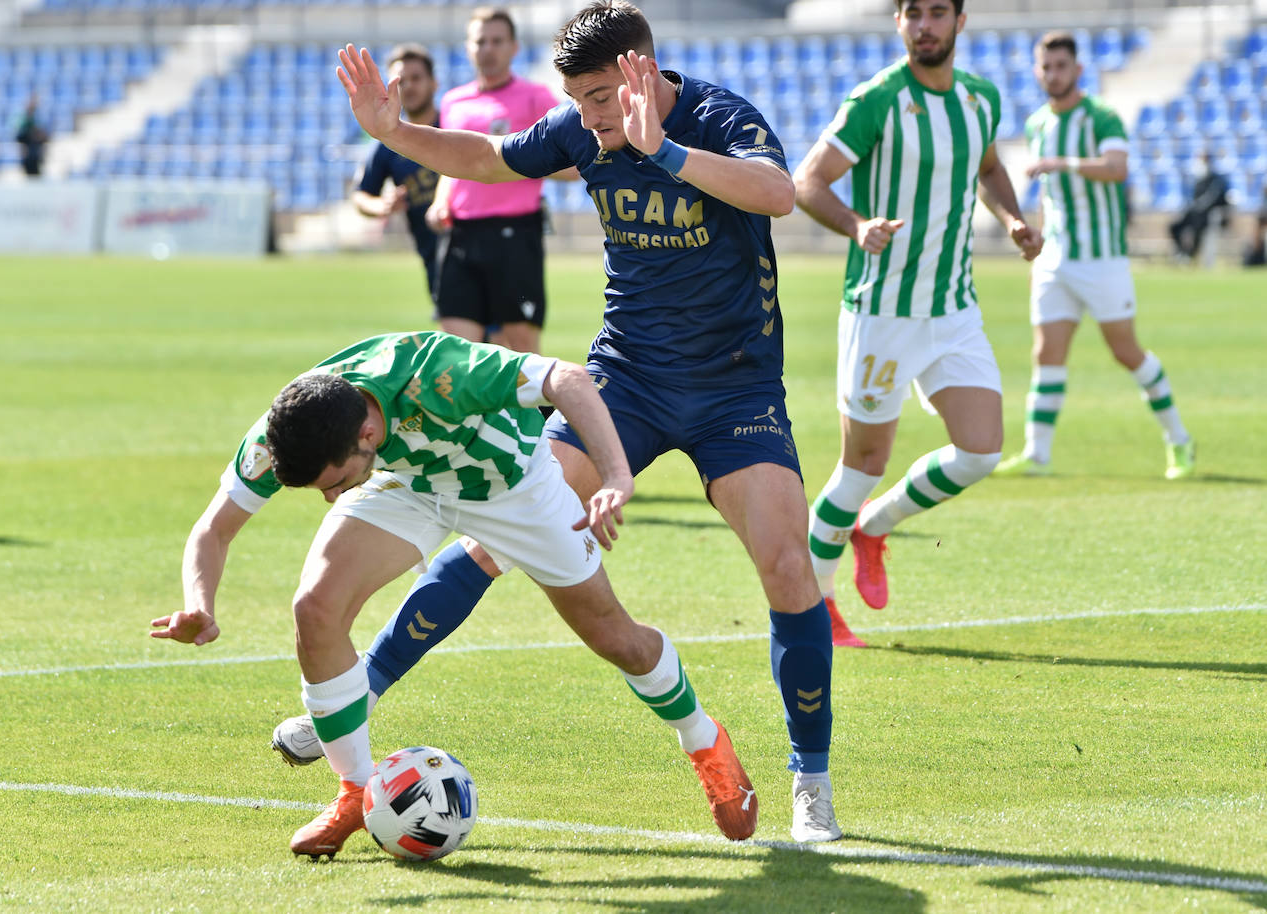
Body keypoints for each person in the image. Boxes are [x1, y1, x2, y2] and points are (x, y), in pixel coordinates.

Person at [317, 0, 846, 843]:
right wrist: (398, 129)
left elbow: (778, 194)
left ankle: (810, 785)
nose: (591, 118)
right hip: (625, 381)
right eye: (581, 101)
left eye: (603, 98)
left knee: (788, 568)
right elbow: (490, 158)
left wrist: (662, 151)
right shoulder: (578, 128)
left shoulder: (717, 116)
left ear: (642, 69)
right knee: (497, 530)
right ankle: (357, 696)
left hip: (734, 389)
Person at [150, 331, 760, 859]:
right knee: (316, 608)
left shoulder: (440, 375)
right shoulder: (289, 429)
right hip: (404, 482)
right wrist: (199, 601)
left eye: (333, 483)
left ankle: (703, 739)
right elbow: (214, 527)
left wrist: (618, 475)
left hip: (512, 488)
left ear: (366, 431)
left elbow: (569, 379)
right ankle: (358, 792)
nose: (330, 499)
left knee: (614, 638)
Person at [791, 0, 1042, 618]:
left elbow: (987, 167)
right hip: (882, 312)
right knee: (862, 464)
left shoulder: (980, 99)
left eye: (937, 12)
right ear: (898, 23)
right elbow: (807, 182)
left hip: (954, 308)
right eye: (912, 13)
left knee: (982, 451)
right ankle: (817, 604)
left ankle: (873, 529)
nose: (924, 25)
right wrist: (856, 225)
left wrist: (1012, 218)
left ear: (961, 21)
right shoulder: (877, 100)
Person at [994, 31, 1196, 481]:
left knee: (1125, 351)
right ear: (1036, 71)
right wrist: (1039, 240)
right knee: (1046, 353)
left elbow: (1117, 168)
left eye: (1061, 66)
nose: (1053, 74)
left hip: (1102, 259)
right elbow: (1049, 196)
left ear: (1078, 70)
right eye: (1045, 67)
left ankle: (1179, 439)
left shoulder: (1101, 116)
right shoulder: (1037, 123)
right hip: (1056, 259)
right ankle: (1037, 454)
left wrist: (1061, 163)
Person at [426, 7, 562, 354]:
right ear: (469, 48)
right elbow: (450, 164)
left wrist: (515, 164)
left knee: (519, 347)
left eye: (497, 41)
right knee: (456, 348)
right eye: (480, 41)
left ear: (514, 47)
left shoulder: (536, 98)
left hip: (514, 235)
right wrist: (441, 200)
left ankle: (533, 412)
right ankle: (472, 412)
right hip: (460, 234)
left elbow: (571, 164)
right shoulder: (454, 101)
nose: (488, 49)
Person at [353, 45, 443, 299]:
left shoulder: (456, 124)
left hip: (483, 245)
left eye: (416, 78)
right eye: (400, 81)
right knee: (456, 336)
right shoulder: (387, 144)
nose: (409, 87)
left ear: (434, 83)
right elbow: (360, 195)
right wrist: (382, 206)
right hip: (435, 257)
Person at [1169, 152, 1232, 265]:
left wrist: (1199, 207)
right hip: (1194, 214)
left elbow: (1212, 199)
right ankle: (1182, 253)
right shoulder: (1198, 180)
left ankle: (1190, 255)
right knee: (1175, 227)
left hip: (1207, 216)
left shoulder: (1216, 180)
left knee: (1198, 230)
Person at [14, 95, 49, 178]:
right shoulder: (25, 120)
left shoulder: (36, 119)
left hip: (36, 155)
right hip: (29, 156)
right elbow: (19, 137)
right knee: (30, 176)